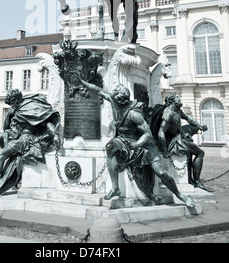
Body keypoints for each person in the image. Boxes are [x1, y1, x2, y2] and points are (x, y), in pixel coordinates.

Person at [76, 75, 195, 208]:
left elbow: (148, 135)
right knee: (110, 147)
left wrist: (137, 144)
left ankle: (180, 195)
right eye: (114, 98)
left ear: (123, 100)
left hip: (142, 142)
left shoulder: (134, 114)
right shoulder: (113, 99)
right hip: (124, 139)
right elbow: (98, 90)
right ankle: (115, 188)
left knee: (161, 173)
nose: (115, 102)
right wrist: (82, 81)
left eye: (118, 100)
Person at [0, 89, 60, 203]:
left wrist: (55, 135)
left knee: (0, 156)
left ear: (14, 99)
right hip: (16, 137)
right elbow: (6, 129)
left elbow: (47, 123)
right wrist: (9, 115)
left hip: (26, 139)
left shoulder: (30, 107)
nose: (11, 105)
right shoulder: (16, 110)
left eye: (11, 102)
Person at [151, 92, 208, 190]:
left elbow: (187, 118)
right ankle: (197, 181)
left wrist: (199, 126)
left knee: (193, 148)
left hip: (178, 136)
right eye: (177, 98)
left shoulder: (177, 109)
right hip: (172, 141)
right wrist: (164, 150)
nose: (179, 99)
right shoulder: (168, 113)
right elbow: (161, 133)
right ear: (172, 101)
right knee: (200, 153)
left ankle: (192, 179)